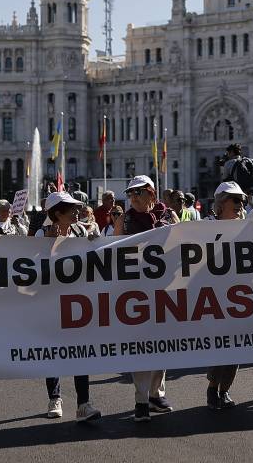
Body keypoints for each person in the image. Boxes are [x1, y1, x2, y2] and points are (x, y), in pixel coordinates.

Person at [37, 191, 101, 422]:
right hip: (50, 302)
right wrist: (48, 245)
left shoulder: (81, 231)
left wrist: (95, 244)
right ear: (57, 214)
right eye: (71, 209)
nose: (77, 212)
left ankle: (83, 404)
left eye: (77, 208)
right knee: (52, 351)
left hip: (76, 302)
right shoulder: (39, 234)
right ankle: (54, 397)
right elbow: (31, 268)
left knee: (79, 352)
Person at [116, 175, 172, 421]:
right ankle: (140, 400)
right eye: (130, 194)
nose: (134, 198)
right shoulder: (125, 220)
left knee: (162, 344)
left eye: (138, 192)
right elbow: (112, 248)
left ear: (151, 193)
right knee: (140, 346)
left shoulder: (168, 216)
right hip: (135, 291)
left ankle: (156, 394)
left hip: (163, 290)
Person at [204, 182, 248, 410]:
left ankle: (225, 389)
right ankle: (213, 387)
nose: (241, 205)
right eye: (236, 200)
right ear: (221, 204)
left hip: (240, 295)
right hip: (213, 295)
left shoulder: (247, 226)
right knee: (219, 344)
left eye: (242, 201)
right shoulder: (203, 227)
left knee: (237, 345)